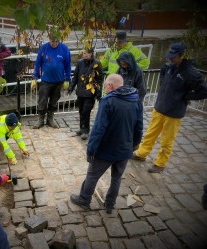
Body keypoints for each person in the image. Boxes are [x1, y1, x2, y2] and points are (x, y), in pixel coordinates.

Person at [70, 74, 143, 214]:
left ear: (110, 86)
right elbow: (139, 126)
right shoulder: (136, 100)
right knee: (116, 178)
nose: (104, 89)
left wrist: (91, 149)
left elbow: (98, 128)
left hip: (106, 149)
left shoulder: (108, 101)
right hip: (124, 149)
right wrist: (135, 144)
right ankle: (110, 204)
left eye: (105, 86)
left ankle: (84, 200)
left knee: (92, 175)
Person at [132, 43, 207, 173]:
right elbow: (162, 77)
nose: (170, 59)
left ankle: (160, 163)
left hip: (173, 113)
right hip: (159, 107)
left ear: (181, 55)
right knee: (150, 133)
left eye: (173, 56)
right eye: (169, 56)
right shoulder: (168, 67)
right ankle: (141, 153)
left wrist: (185, 96)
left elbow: (203, 91)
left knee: (167, 140)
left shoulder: (191, 74)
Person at [32, 34, 72, 129]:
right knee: (42, 100)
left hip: (59, 81)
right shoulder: (44, 48)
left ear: (59, 40)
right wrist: (35, 77)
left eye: (56, 42)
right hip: (45, 81)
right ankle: (40, 119)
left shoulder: (64, 49)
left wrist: (67, 79)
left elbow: (68, 65)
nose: (54, 44)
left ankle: (50, 119)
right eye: (52, 41)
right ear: (49, 39)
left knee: (54, 101)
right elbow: (38, 63)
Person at [68, 48, 103, 140]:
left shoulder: (96, 63)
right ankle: (82, 128)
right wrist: (71, 87)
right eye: (83, 53)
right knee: (81, 111)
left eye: (87, 53)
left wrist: (98, 92)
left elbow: (99, 79)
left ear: (91, 53)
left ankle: (85, 130)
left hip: (90, 93)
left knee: (86, 111)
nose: (85, 55)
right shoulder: (80, 63)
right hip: (80, 91)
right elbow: (75, 76)